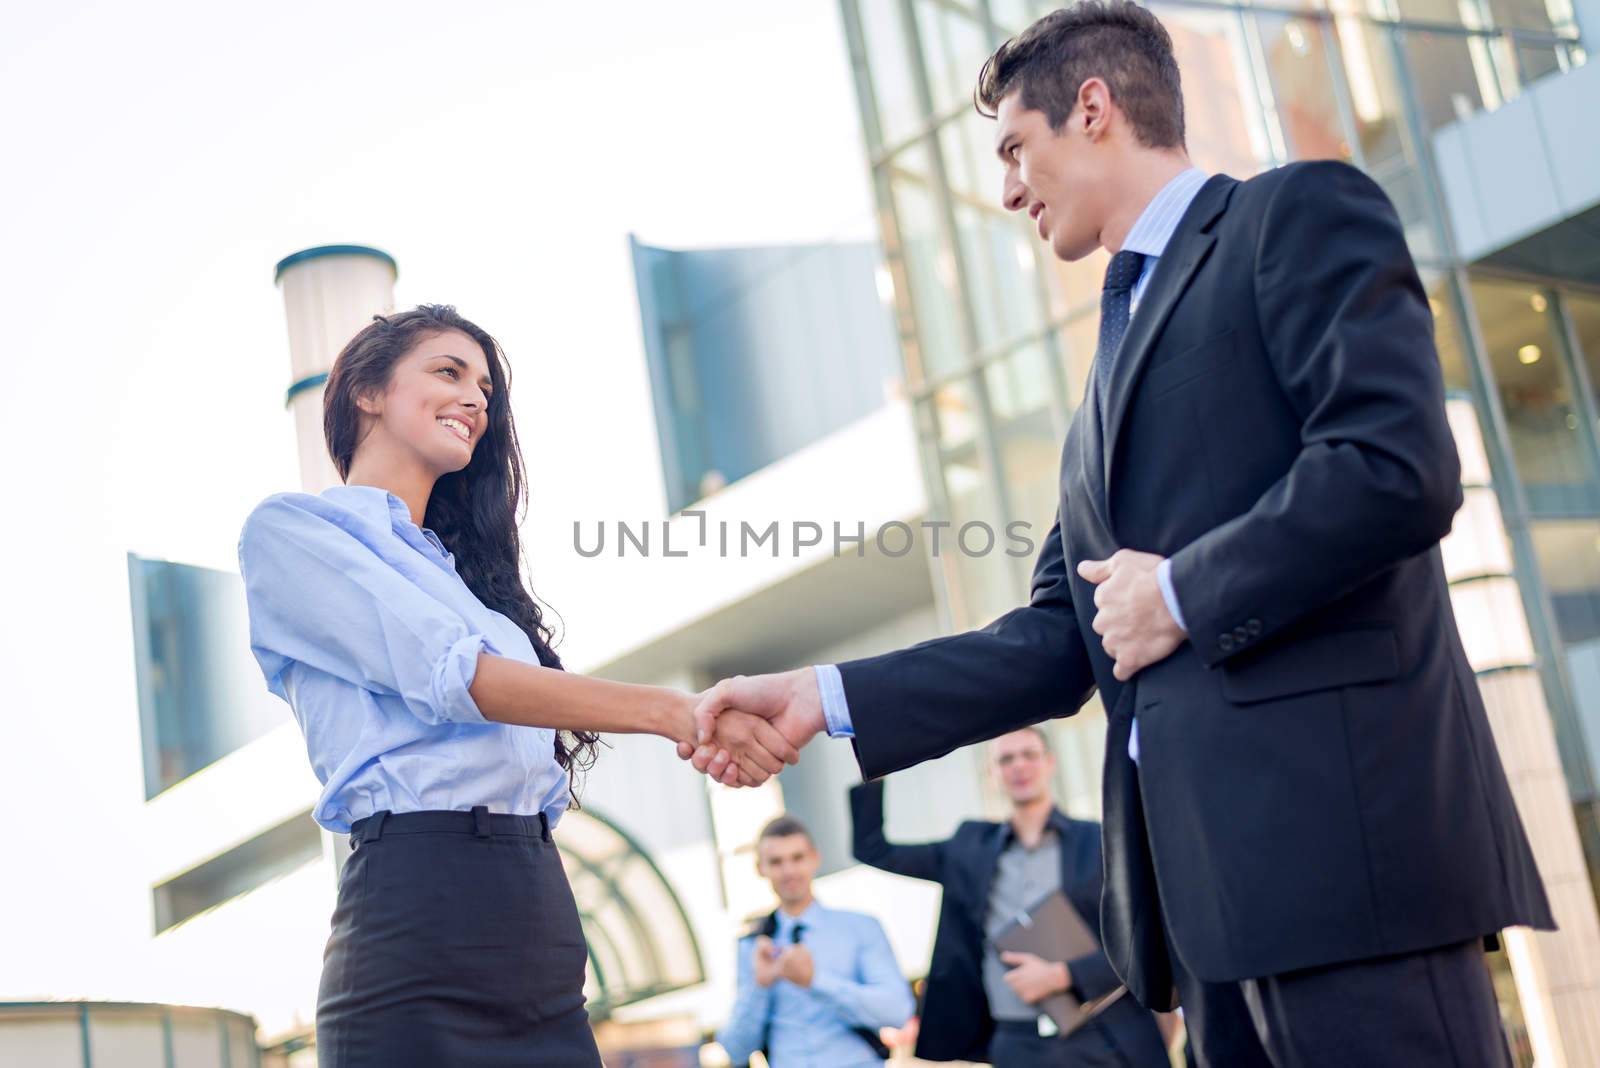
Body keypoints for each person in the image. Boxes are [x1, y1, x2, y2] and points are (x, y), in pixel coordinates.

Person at [684, 4, 1554, 1065]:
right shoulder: (1101, 380)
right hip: (1206, 912)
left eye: (1015, 147)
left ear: (1091, 108)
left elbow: (1395, 467)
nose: (1006, 188)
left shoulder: (1294, 215)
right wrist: (818, 699)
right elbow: (1056, 642)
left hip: (1347, 871)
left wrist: (1180, 591)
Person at [237, 305, 795, 1067]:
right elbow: (456, 677)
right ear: (366, 391)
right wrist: (678, 713)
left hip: (536, 907)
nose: (475, 399)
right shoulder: (295, 534)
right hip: (418, 904)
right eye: (448, 372)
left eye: (487, 391)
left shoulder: (472, 591)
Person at [850, 727, 1169, 1068]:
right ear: (992, 774)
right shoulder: (968, 847)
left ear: (1049, 763)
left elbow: (1145, 938)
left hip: (1103, 1034)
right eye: (1006, 759)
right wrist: (877, 764)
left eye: (1029, 755)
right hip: (1017, 1045)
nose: (1019, 766)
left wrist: (1065, 975)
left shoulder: (1099, 841)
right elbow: (874, 850)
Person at [717, 815, 914, 1068]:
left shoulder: (860, 927)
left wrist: (816, 981)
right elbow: (735, 1050)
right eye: (776, 862)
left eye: (797, 858)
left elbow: (898, 1011)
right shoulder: (753, 946)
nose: (788, 871)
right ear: (760, 868)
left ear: (814, 858)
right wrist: (760, 987)